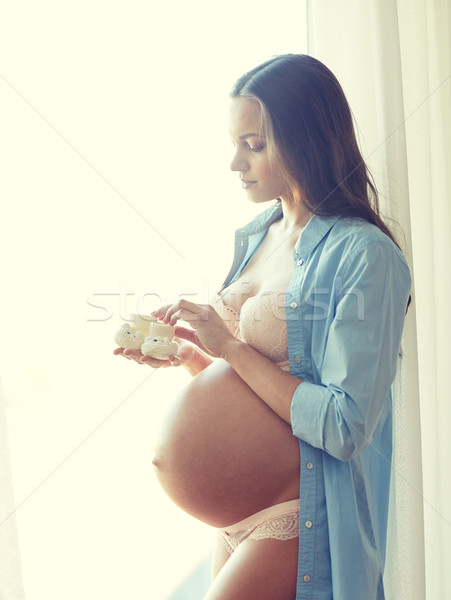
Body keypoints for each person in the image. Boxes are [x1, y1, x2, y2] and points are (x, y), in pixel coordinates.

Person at [114, 54, 411, 600]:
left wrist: (228, 346)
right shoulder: (258, 235)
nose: (235, 163)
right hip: (236, 520)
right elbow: (258, 391)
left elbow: (345, 426)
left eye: (253, 145)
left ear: (307, 140)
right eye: (234, 143)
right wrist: (189, 357)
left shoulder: (364, 256)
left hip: (300, 511)